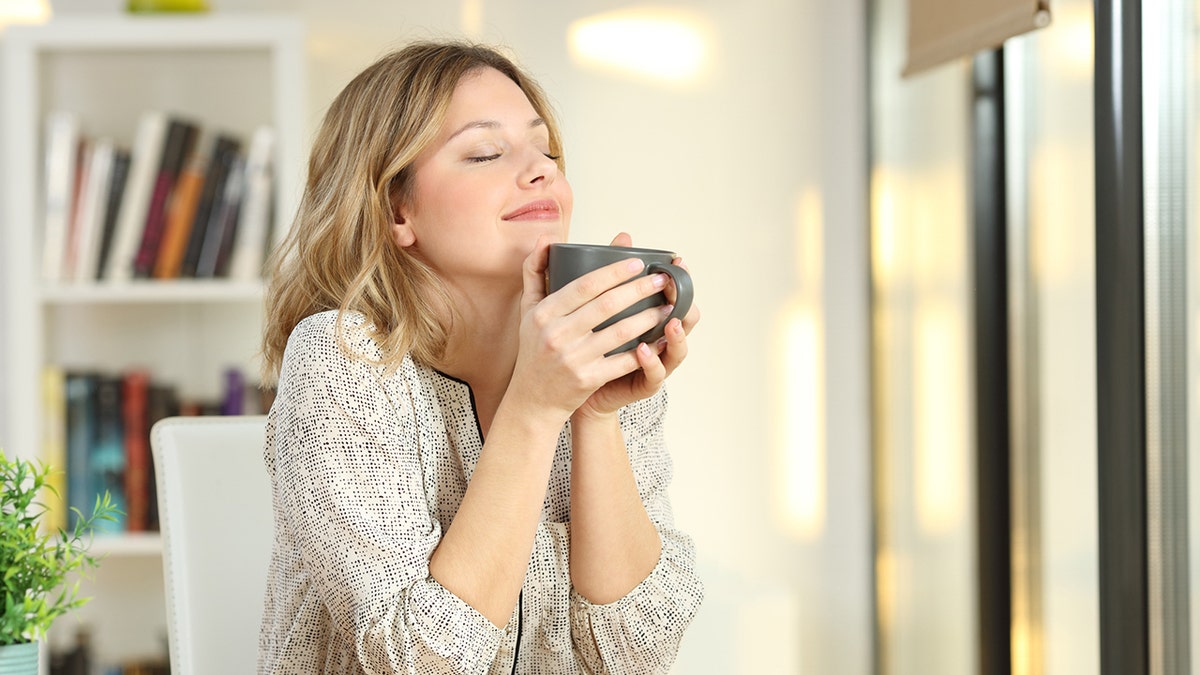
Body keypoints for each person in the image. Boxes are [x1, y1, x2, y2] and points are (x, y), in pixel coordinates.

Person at [257, 40, 703, 675]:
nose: (541, 170)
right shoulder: (343, 360)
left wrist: (595, 416)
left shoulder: (591, 359)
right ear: (395, 210)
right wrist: (535, 407)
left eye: (546, 150)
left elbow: (638, 656)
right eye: (486, 153)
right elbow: (417, 660)